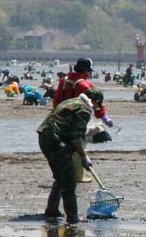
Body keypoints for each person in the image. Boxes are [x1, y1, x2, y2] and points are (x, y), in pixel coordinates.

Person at [37, 91, 100, 223]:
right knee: (69, 179)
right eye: (97, 105)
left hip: (44, 137)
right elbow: (76, 138)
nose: (96, 108)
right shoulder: (84, 110)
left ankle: (52, 209)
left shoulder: (72, 101)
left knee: (61, 176)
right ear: (94, 101)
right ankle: (72, 217)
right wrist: (83, 156)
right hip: (56, 140)